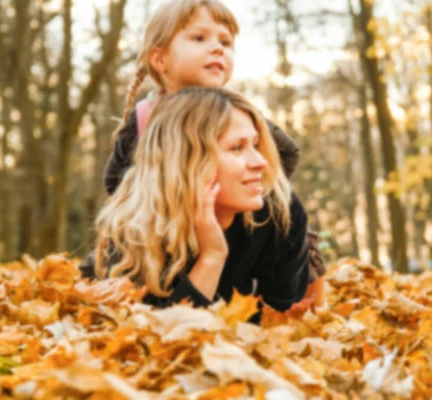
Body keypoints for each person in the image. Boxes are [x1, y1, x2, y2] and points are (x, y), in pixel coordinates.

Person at [102, 0, 326, 305]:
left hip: (240, 222)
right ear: (159, 58)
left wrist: (250, 190)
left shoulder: (235, 114)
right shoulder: (145, 117)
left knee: (294, 230)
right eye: (199, 38)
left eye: (226, 42)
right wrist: (160, 200)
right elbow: (116, 179)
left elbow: (284, 153)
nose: (217, 48)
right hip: (168, 217)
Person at [81, 88, 310, 317]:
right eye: (237, 148)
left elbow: (281, 328)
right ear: (188, 162)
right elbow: (160, 343)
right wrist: (212, 256)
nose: (260, 161)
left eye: (256, 144)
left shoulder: (282, 213)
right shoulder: (137, 230)